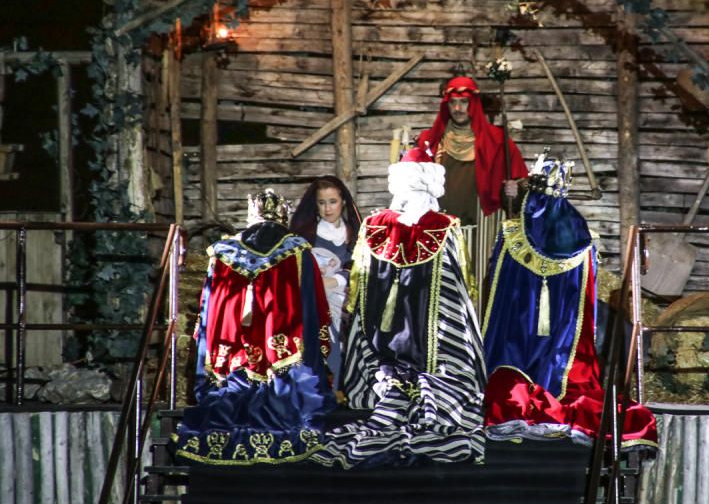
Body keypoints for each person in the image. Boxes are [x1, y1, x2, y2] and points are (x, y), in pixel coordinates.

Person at [310, 147, 487, 468]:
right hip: (433, 346)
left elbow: (360, 288)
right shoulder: (444, 226)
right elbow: (458, 293)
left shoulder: (375, 226)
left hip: (381, 342)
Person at [481, 155, 658, 451]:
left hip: (515, 349)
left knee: (505, 385)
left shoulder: (514, 234)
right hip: (566, 355)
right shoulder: (580, 237)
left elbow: (500, 302)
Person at [173, 188, 335, 465]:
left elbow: (209, 308)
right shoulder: (296, 249)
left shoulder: (224, 252)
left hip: (234, 354)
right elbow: (313, 307)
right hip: (283, 359)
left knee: (227, 393)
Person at [416, 75, 529, 308]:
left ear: (474, 104)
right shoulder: (431, 140)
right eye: (453, 102)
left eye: (464, 102)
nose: (458, 108)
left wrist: (515, 189)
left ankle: (480, 341)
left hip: (483, 232)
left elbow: (522, 186)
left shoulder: (498, 141)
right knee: (441, 291)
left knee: (481, 293)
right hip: (440, 232)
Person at [290, 176, 362, 389]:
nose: (328, 208)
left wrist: (336, 279)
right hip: (312, 295)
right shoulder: (305, 234)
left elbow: (361, 267)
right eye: (322, 203)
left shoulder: (355, 233)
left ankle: (346, 384)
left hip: (348, 292)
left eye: (333, 202)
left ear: (343, 203)